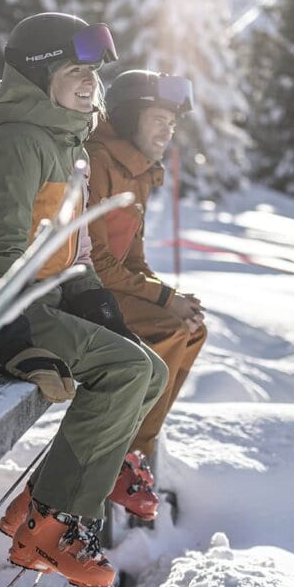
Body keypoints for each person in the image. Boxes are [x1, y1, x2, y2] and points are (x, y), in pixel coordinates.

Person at [0, 13, 166, 587]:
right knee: (124, 371)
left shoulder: (66, 146)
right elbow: (3, 252)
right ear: (38, 77)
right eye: (74, 71)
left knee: (150, 370)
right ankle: (53, 525)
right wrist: (12, 340)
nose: (90, 82)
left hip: (42, 294)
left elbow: (76, 249)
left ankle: (42, 502)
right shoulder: (17, 144)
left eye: (93, 72)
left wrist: (100, 309)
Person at [86, 70, 207, 466]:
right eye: (158, 119)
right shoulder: (98, 162)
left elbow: (132, 260)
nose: (167, 131)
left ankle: (136, 442)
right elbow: (95, 260)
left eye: (171, 124)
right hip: (79, 291)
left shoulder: (137, 172)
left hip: (108, 287)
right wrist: (164, 301)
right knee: (167, 329)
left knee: (192, 329)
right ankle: (129, 455)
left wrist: (171, 297)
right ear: (127, 116)